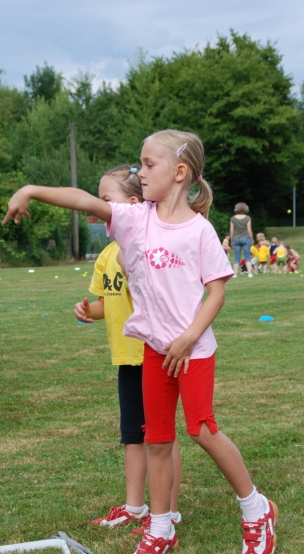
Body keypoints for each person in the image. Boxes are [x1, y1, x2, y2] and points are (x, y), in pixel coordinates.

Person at [4, 129, 278, 554]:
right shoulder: (135, 219)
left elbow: (216, 294)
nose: (140, 172)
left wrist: (189, 336)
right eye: (140, 163)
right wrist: (31, 190)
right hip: (153, 349)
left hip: (193, 351)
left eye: (149, 165)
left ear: (180, 172)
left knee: (202, 430)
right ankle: (160, 528)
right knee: (156, 438)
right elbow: (83, 200)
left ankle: (255, 509)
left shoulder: (201, 231)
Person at [73, 164, 181, 530]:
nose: (98, 208)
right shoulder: (106, 256)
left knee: (161, 436)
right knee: (133, 435)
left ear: (132, 204)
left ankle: (169, 508)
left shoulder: (150, 247)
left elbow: (159, 296)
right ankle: (135, 507)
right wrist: (90, 310)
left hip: (153, 356)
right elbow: (107, 301)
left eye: (105, 200)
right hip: (126, 359)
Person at [230, 203, 254, 278]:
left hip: (236, 238)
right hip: (246, 238)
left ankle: (235, 274)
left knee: (237, 257)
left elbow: (231, 231)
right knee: (247, 256)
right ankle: (250, 273)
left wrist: (232, 240)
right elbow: (249, 230)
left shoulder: (233, 218)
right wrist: (252, 239)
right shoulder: (247, 218)